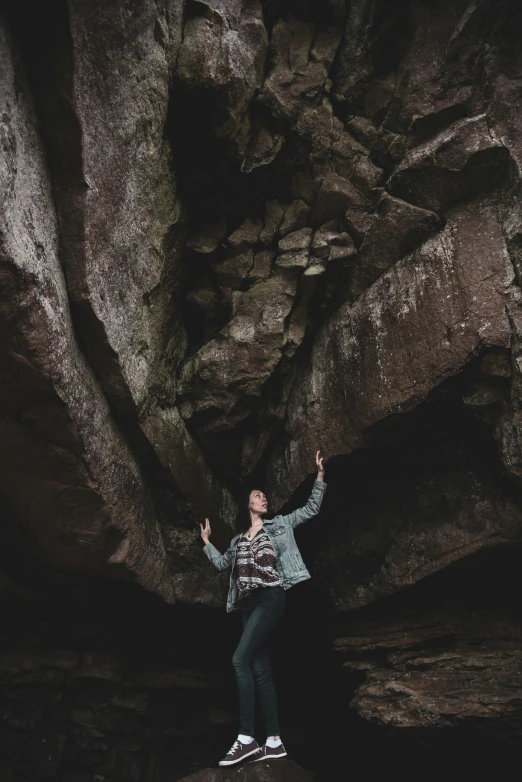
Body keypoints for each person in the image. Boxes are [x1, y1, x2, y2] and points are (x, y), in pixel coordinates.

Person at [200, 450, 327, 766]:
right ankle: (274, 741)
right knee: (260, 671)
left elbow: (311, 509)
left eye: (265, 496)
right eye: (259, 496)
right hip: (247, 606)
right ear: (248, 504)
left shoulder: (280, 524)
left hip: (271, 597)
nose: (264, 499)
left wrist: (320, 476)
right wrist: (206, 541)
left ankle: (245, 738)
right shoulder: (236, 541)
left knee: (239, 659)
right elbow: (220, 564)